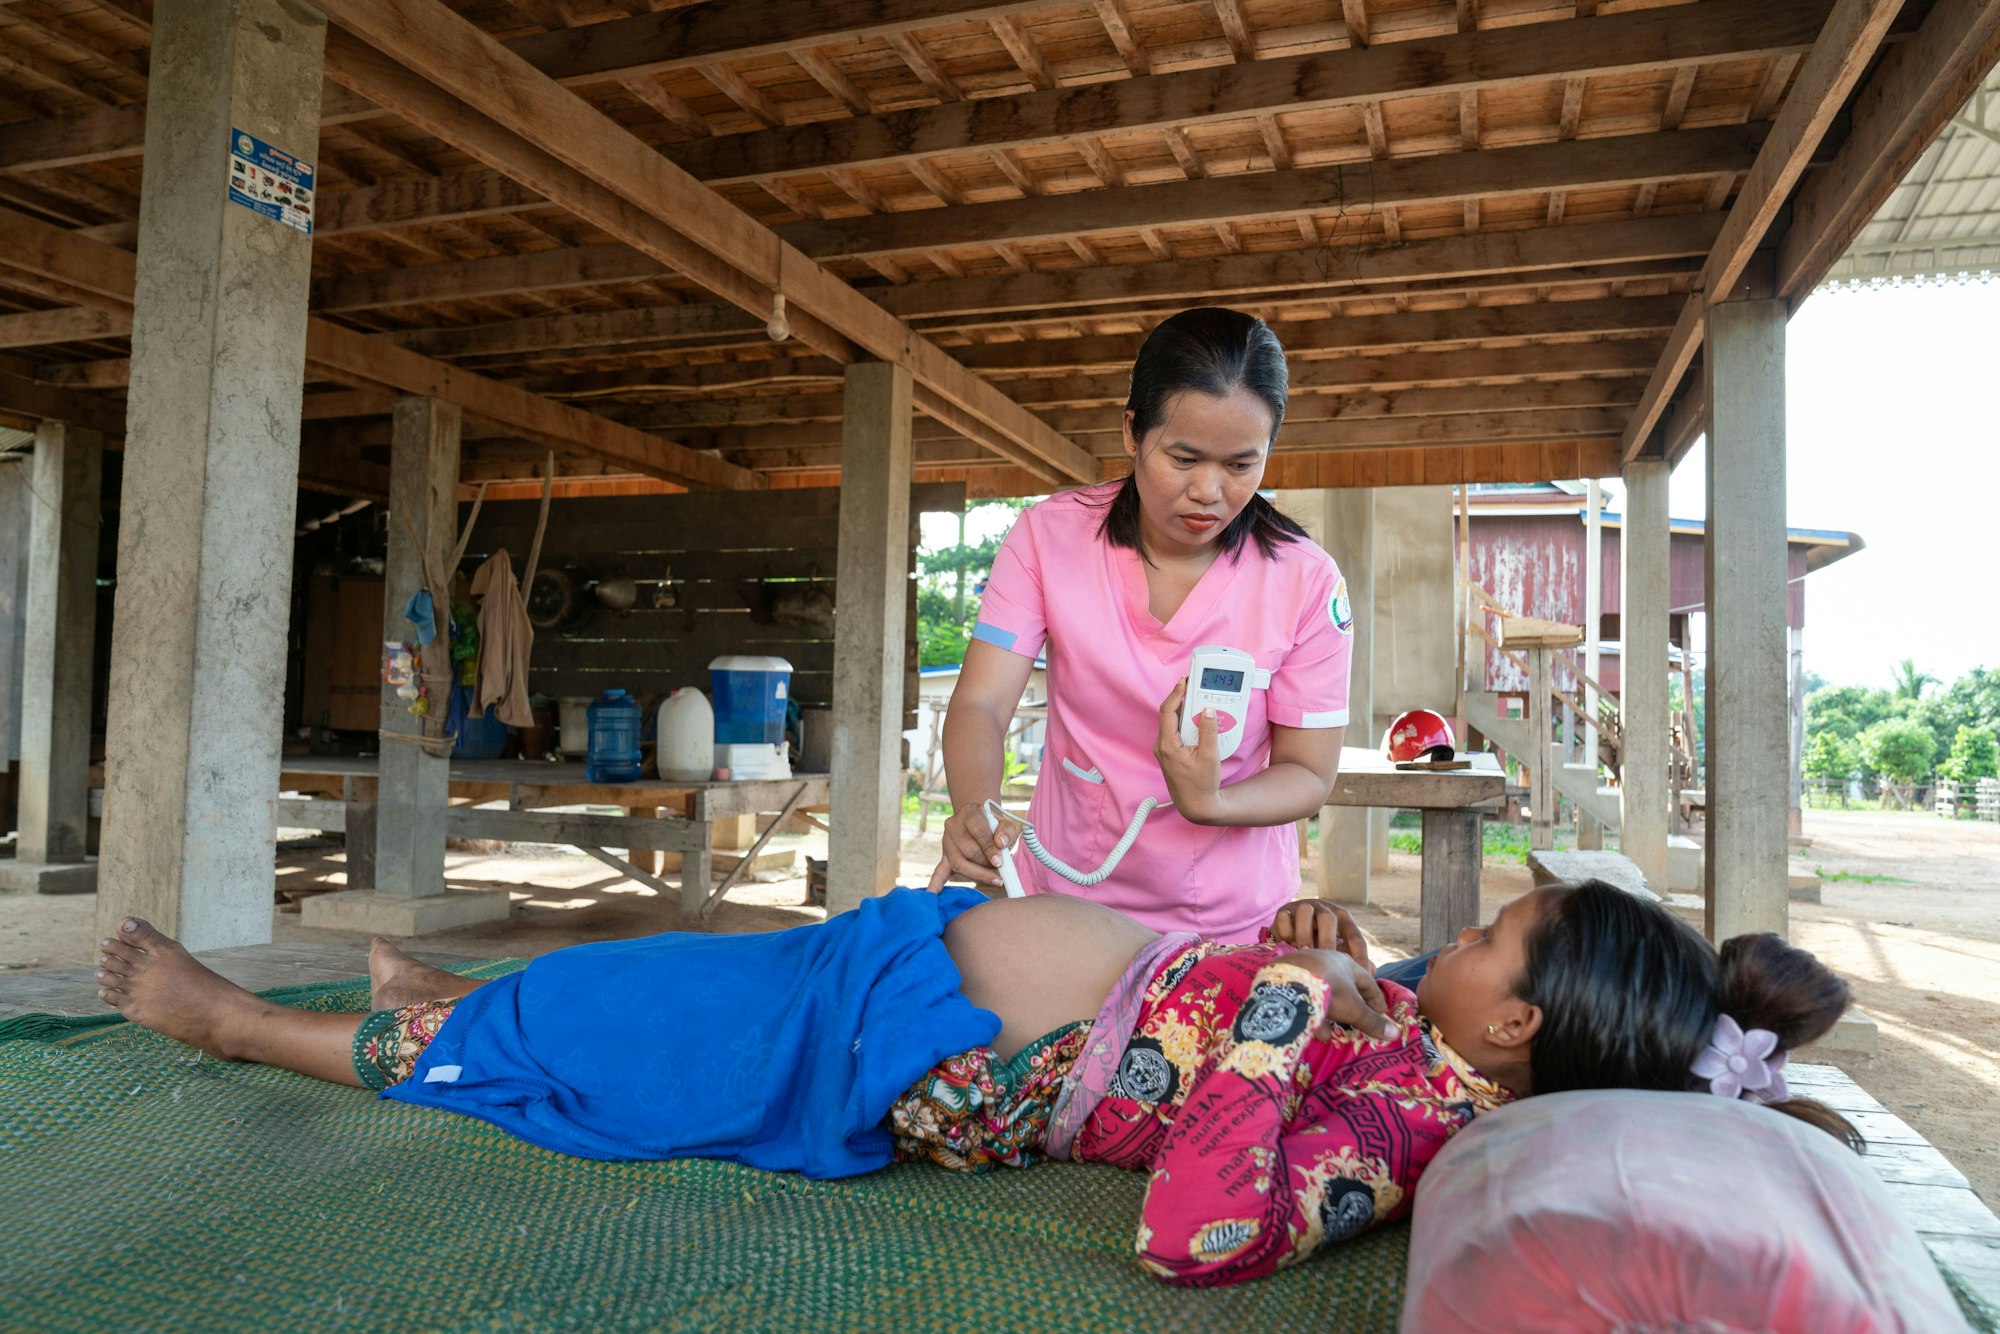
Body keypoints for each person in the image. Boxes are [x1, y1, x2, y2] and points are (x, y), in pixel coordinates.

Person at [91, 880, 1857, 1288]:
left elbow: (1198, 1223)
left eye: (1488, 934)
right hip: (895, 953)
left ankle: (245, 1025)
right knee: (625, 971)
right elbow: (1269, 1003)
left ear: (1520, 1029)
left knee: (583, 1049)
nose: (1451, 936)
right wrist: (1320, 956)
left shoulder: (1405, 1131)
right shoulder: (1412, 1023)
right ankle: (458, 987)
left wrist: (1280, 1010)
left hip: (882, 1055)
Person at [927, 307, 1352, 942]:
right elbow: (982, 701)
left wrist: (1215, 803)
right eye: (1183, 458)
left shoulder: (1307, 580)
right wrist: (975, 806)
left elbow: (1310, 772)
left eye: (1241, 465)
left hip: (1228, 925)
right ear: (1132, 432)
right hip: (1066, 905)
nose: (1209, 491)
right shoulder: (1048, 536)